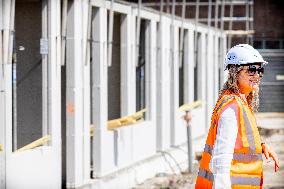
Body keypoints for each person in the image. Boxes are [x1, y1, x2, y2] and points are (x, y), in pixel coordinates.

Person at [195, 44, 280, 189]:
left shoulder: (241, 101)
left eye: (260, 70)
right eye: (251, 70)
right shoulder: (232, 106)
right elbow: (221, 157)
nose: (257, 75)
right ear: (234, 72)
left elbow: (240, 139)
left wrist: (261, 146)